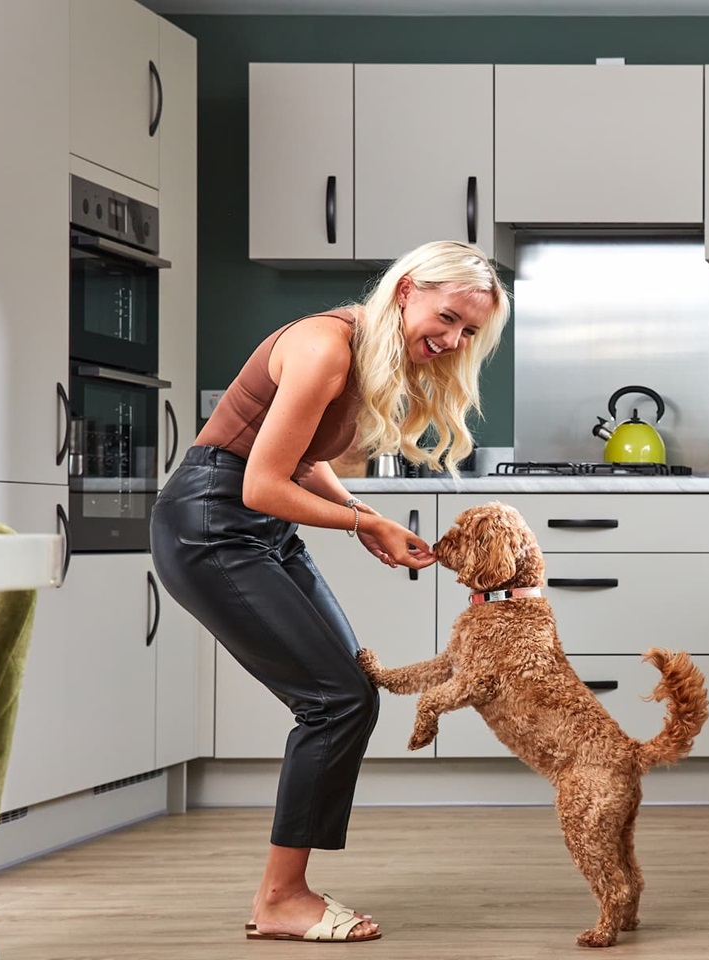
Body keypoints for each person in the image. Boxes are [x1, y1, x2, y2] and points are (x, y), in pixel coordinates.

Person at [150, 240, 510, 943]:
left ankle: (282, 894)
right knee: (336, 699)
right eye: (447, 318)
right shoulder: (324, 347)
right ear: (405, 290)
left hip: (255, 527)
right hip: (211, 526)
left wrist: (362, 514)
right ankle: (281, 899)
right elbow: (261, 483)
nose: (453, 340)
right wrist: (360, 520)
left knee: (349, 692)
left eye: (470, 331)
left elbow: (298, 458)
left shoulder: (365, 352)